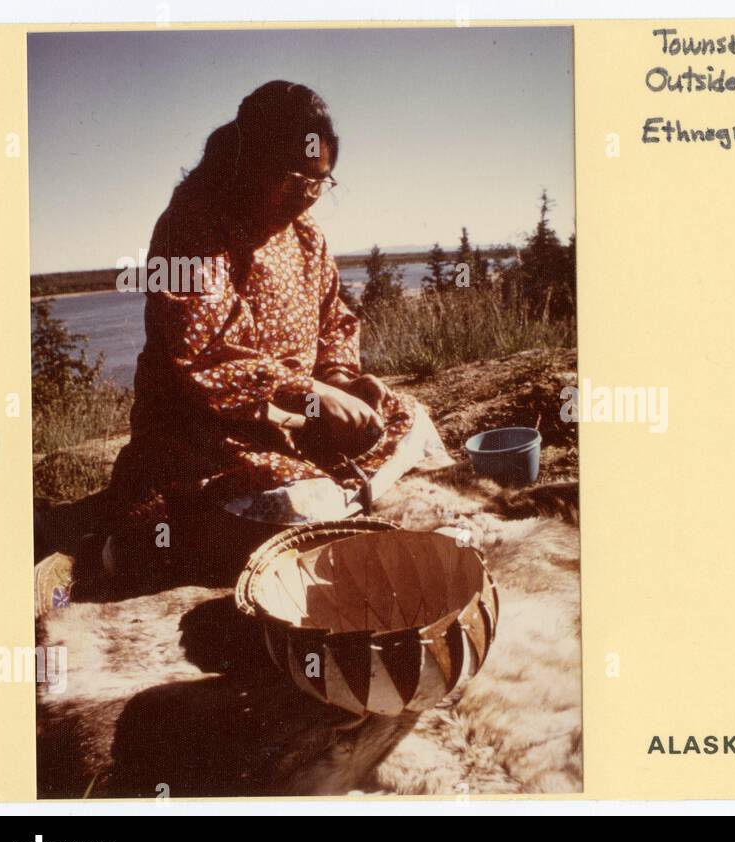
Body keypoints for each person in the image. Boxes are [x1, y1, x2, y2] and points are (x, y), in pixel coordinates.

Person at [36, 81, 450, 609]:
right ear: (252, 159)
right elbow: (205, 352)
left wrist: (343, 378)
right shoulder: (191, 225)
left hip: (299, 426)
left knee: (410, 420)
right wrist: (312, 396)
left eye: (323, 181)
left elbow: (333, 319)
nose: (310, 194)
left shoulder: (307, 235)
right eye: (298, 178)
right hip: (205, 436)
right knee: (302, 510)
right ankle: (126, 541)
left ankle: (115, 517)